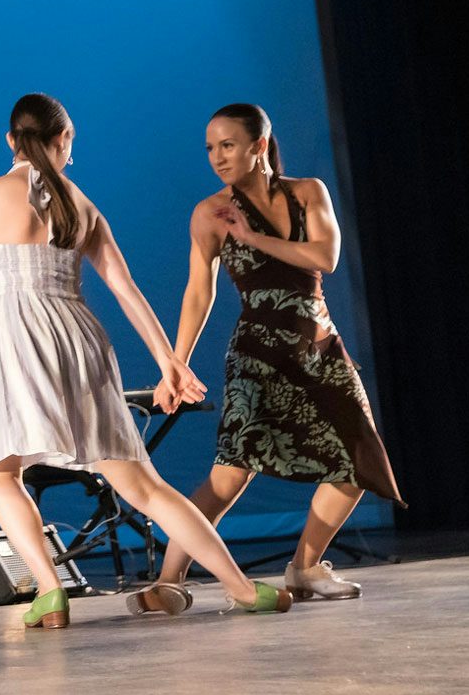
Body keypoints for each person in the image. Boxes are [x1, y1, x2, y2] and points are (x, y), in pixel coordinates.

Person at [0, 93, 292, 628]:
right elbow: (126, 290)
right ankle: (242, 588)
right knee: (142, 484)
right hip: (80, 339)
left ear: (11, 141)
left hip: (16, 339)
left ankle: (49, 590)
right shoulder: (83, 206)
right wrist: (169, 362)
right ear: (63, 142)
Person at [129, 104, 402, 615]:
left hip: (319, 346)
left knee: (358, 457)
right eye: (210, 148)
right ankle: (170, 581)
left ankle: (304, 566)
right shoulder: (209, 212)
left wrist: (253, 238)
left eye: (227, 145)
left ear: (259, 146)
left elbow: (325, 257)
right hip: (258, 353)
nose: (216, 157)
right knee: (231, 474)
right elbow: (197, 292)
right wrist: (176, 362)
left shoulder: (308, 192)